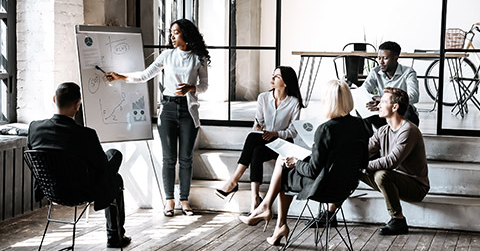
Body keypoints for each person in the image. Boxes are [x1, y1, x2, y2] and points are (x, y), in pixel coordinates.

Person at [239, 80, 370, 245]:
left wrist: (296, 162)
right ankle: (271, 215)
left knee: (283, 167)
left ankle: (271, 214)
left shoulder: (325, 129)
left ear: (329, 102)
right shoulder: (361, 125)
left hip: (324, 187)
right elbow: (363, 162)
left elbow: (312, 171)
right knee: (285, 165)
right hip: (346, 186)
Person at [107, 18, 210, 217]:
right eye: (171, 33)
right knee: (169, 159)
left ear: (186, 35)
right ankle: (169, 200)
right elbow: (145, 75)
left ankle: (184, 200)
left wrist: (192, 88)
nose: (172, 36)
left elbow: (205, 85)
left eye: (176, 32)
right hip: (168, 109)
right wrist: (121, 76)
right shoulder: (167, 55)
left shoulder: (199, 58)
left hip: (189, 111)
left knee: (186, 159)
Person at [27, 82, 131, 248]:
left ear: (54, 99)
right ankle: (114, 236)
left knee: (111, 164)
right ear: (77, 105)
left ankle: (115, 234)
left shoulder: (34, 128)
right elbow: (101, 168)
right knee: (115, 170)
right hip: (79, 192)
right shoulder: (86, 135)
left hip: (51, 190)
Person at [215, 66, 304, 213]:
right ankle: (255, 198)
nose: (272, 78)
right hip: (264, 139)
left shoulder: (294, 102)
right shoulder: (263, 98)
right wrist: (257, 126)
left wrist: (275, 133)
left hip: (283, 144)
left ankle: (233, 181)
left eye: (277, 77)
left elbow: (293, 132)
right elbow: (258, 122)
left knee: (252, 140)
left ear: (286, 82)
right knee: (255, 149)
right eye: (273, 75)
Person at [361, 87, 429, 235]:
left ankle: (398, 220)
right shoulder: (382, 130)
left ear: (395, 107)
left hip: (415, 187)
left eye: (383, 102)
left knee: (382, 174)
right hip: (394, 181)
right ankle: (331, 211)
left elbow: (392, 161)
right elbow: (364, 151)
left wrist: (363, 165)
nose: (378, 106)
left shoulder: (409, 130)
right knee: (348, 166)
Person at [362, 41, 420, 130]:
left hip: (402, 114)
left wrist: (384, 100)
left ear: (395, 58)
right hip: (383, 114)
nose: (381, 62)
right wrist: (378, 102)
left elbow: (414, 96)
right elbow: (363, 91)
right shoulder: (375, 71)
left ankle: (404, 139)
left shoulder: (408, 72)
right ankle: (370, 142)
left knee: (408, 110)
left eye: (385, 58)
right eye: (379, 58)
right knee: (364, 112)